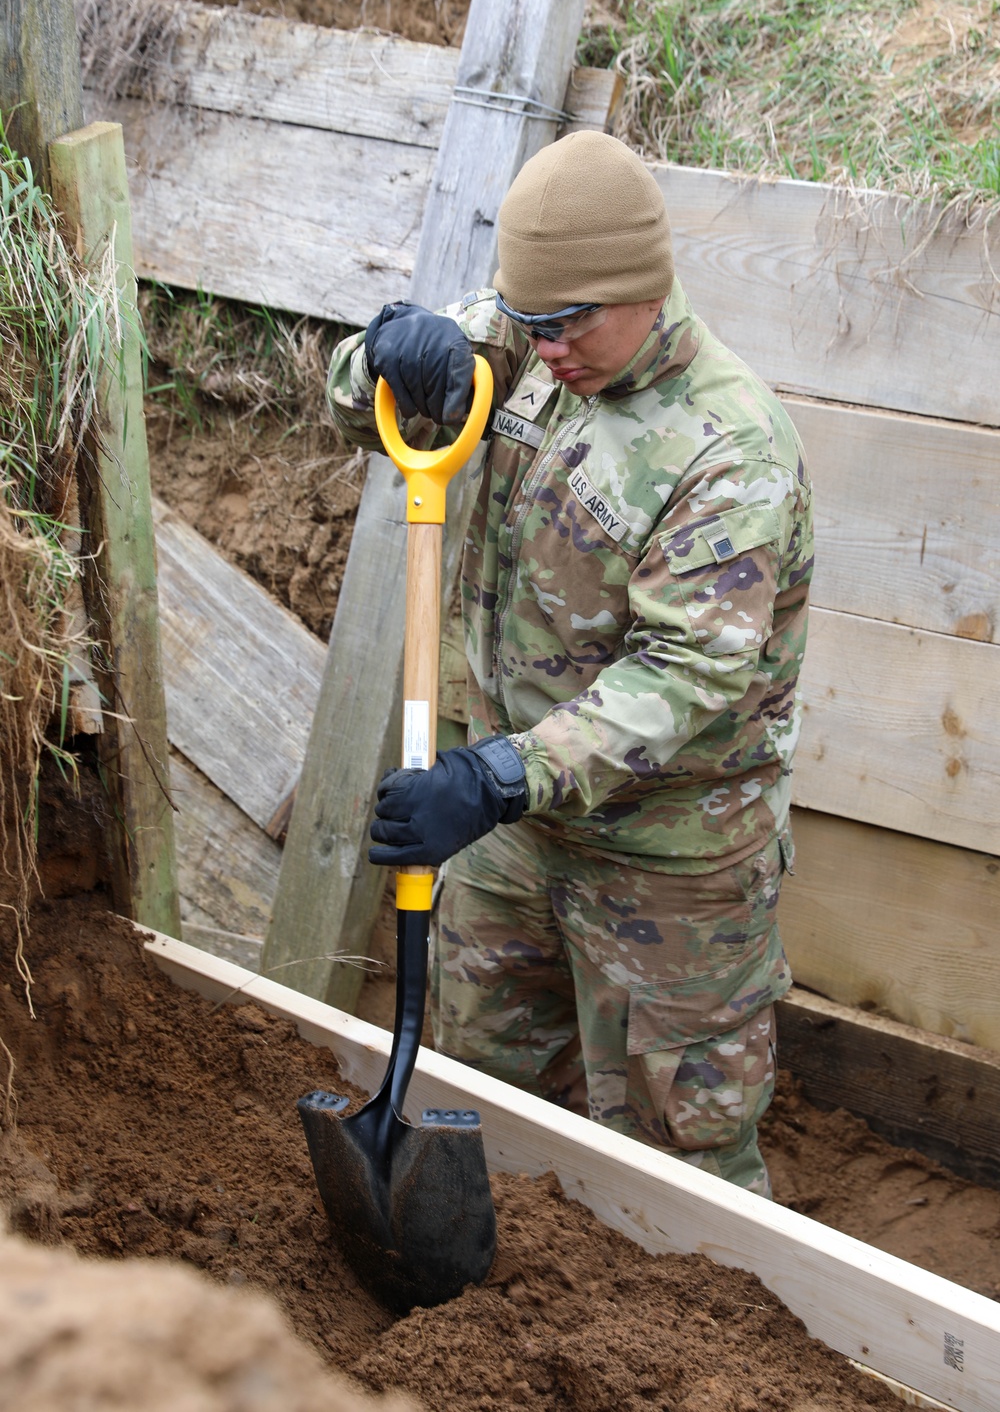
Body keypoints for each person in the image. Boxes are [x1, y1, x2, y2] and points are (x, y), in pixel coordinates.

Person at [326, 131, 813, 1196]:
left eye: (568, 324)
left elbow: (685, 679)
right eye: (527, 323)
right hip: (512, 838)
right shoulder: (531, 338)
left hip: (667, 866)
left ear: (641, 287)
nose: (542, 349)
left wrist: (490, 776)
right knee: (482, 1103)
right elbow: (358, 398)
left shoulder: (726, 450)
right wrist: (387, 356)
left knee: (684, 1167)